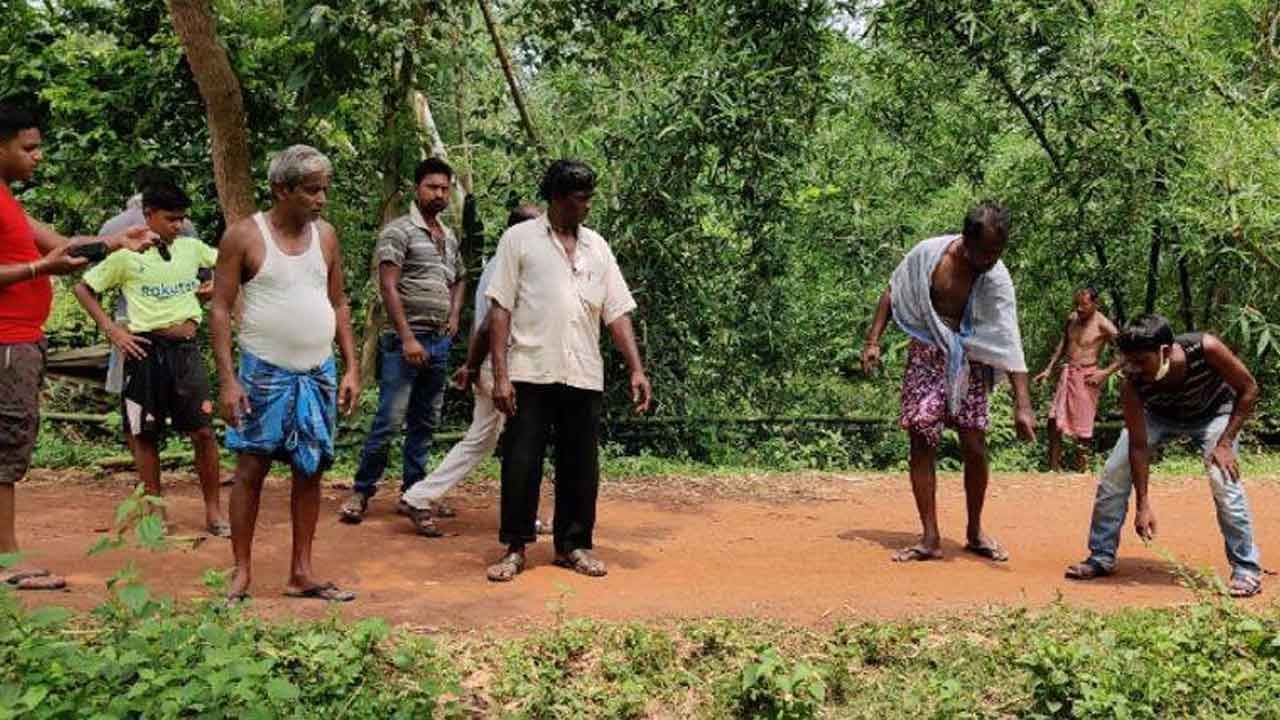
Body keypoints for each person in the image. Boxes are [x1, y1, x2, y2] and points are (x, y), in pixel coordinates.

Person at [0, 103, 152, 591]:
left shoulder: (9, 201)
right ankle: (6, 559)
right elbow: (45, 261)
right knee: (6, 446)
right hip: (6, 340)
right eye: (29, 147)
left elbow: (63, 243)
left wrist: (114, 243)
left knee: (12, 443)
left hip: (23, 337)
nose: (38, 156)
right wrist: (38, 270)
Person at [483, 160, 652, 582]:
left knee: (581, 463)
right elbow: (500, 308)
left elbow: (616, 312)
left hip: (583, 371)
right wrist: (501, 375)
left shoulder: (598, 247)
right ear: (557, 199)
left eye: (590, 197)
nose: (588, 207)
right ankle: (516, 547)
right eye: (580, 199)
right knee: (522, 461)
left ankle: (573, 545)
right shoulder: (518, 240)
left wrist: (636, 369)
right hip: (529, 368)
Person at [210, 145, 360, 603]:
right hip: (263, 372)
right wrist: (228, 379)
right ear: (282, 189)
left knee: (309, 469)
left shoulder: (327, 237)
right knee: (251, 466)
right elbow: (218, 308)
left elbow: (338, 302)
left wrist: (351, 366)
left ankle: (301, 572)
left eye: (324, 191)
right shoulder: (243, 237)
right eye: (312, 191)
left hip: (318, 372)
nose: (321, 200)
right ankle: (241, 570)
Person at [861, 202, 1035, 563]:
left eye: (998, 252)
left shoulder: (997, 277)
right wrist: (873, 341)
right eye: (985, 251)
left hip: (969, 360)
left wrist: (1023, 405)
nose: (991, 259)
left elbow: (1008, 337)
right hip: (926, 354)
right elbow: (895, 291)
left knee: (974, 442)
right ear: (966, 241)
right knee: (922, 437)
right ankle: (930, 537)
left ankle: (974, 531)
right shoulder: (929, 254)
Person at [1065, 315, 1264, 597]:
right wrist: (1143, 504)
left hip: (1214, 415)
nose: (1133, 368)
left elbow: (1249, 388)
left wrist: (1225, 442)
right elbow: (1138, 445)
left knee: (1223, 479)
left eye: (1141, 360)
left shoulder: (1206, 348)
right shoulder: (1131, 381)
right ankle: (1101, 555)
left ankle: (1246, 568)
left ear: (1165, 352)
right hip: (1157, 416)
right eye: (1128, 360)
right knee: (1114, 472)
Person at [73, 183, 228, 536]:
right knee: (144, 434)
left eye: (183, 218)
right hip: (144, 351)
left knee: (203, 432)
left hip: (185, 352)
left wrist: (215, 282)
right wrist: (114, 331)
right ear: (149, 216)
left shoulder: (191, 248)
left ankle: (215, 511)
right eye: (171, 219)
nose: (179, 225)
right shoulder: (127, 256)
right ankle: (154, 512)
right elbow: (84, 288)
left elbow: (230, 263)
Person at [400, 203, 544, 537]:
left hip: (494, 364)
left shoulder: (502, 264)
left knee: (483, 439)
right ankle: (522, 517)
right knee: (517, 440)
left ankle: (420, 495)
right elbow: (490, 323)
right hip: (502, 365)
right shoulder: (509, 267)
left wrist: (472, 365)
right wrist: (479, 366)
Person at [339, 158, 466, 524]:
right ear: (417, 188)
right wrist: (408, 337)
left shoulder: (447, 235)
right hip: (404, 340)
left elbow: (459, 278)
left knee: (425, 420)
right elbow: (388, 286)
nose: (439, 194)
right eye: (432, 187)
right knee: (390, 419)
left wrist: (455, 315)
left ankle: (415, 494)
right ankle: (361, 492)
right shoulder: (399, 231)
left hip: (438, 341)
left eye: (444, 188)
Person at [1034, 287, 1119, 471]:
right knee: (1053, 420)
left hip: (1087, 377)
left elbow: (1125, 352)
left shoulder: (1104, 325)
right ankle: (1054, 468)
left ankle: (1083, 469)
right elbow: (1063, 344)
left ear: (1095, 304)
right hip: (1068, 374)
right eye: (1077, 304)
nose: (1079, 308)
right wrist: (1048, 369)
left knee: (1083, 426)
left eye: (1084, 305)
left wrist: (1105, 372)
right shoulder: (1072, 319)